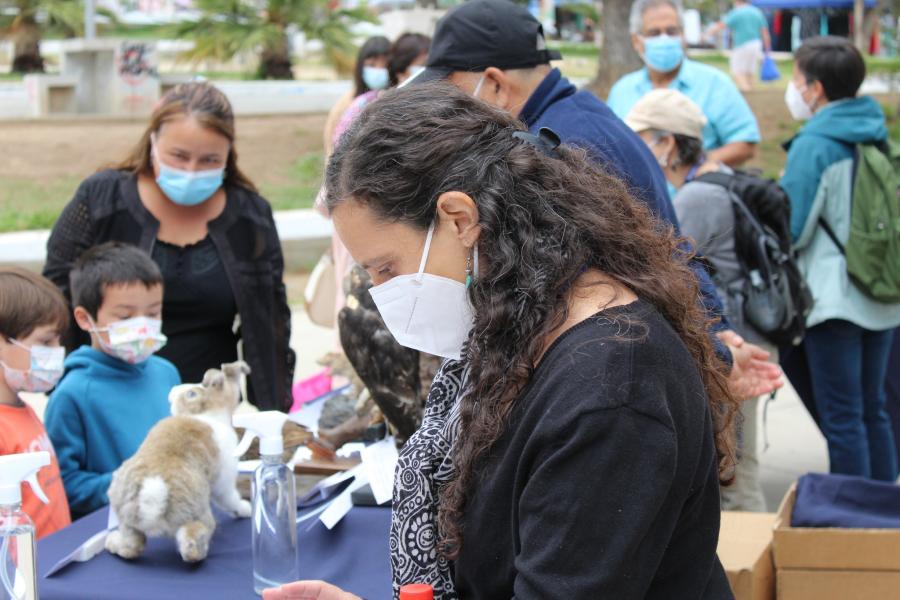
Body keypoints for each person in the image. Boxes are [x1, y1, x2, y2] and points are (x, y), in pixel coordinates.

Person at [266, 82, 737, 600]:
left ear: (459, 219)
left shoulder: (611, 393)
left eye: (385, 267)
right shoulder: (518, 328)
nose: (380, 293)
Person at [410, 0, 782, 401]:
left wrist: (716, 351)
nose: (451, 108)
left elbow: (608, 274)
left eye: (452, 90)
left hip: (629, 374)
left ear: (496, 84)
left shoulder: (558, 148)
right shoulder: (581, 115)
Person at [43, 82, 294, 412]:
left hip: (206, 407)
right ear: (152, 141)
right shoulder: (101, 200)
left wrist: (272, 414)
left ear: (228, 156)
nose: (191, 171)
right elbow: (55, 300)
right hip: (107, 402)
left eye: (209, 160)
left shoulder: (250, 218)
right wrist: (67, 394)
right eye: (179, 156)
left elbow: (270, 322)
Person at [626, 88, 770, 511]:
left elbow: (680, 273)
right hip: (740, 333)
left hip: (728, 342)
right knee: (740, 460)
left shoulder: (693, 198)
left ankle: (753, 569)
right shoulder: (718, 179)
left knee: (734, 471)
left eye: (639, 137)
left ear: (666, 142)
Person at [780, 36, 900, 481]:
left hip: (834, 300)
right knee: (874, 412)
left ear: (815, 89)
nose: (793, 90)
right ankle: (886, 521)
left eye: (796, 80)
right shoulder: (874, 130)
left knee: (843, 418)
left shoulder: (816, 143)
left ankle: (853, 523)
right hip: (881, 294)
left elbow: (792, 229)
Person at [44, 243, 180, 520]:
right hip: (113, 532)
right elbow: (62, 485)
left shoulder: (166, 373)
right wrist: (131, 484)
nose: (142, 326)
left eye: (153, 313)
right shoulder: (72, 394)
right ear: (85, 318)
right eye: (125, 317)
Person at [607, 0, 761, 167]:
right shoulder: (622, 90)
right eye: (654, 33)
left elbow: (745, 143)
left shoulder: (714, 84)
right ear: (636, 41)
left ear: (683, 35)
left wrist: (693, 168)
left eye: (672, 31)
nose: (664, 39)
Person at [0, 267, 71, 538]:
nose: (56, 352)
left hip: (52, 562)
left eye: (58, 341)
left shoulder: (22, 409)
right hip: (22, 573)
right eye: (45, 341)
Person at [323, 36, 391, 156]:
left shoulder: (398, 98)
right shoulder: (347, 103)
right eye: (372, 65)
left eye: (385, 66)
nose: (379, 70)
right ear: (361, 67)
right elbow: (331, 145)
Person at [705, 0, 772, 92]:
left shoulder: (737, 12)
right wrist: (767, 49)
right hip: (756, 44)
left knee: (737, 71)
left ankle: (747, 92)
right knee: (749, 71)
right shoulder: (757, 12)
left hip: (742, 44)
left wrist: (707, 34)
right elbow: (764, 31)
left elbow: (722, 25)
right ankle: (752, 93)